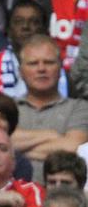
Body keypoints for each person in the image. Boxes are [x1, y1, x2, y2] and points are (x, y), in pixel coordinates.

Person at [12, 34, 88, 182]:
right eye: (33, 63)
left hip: (62, 193)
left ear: (60, 68)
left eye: (49, 62)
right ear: (20, 71)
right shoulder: (7, 107)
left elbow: (74, 149)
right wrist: (51, 135)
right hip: (12, 192)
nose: (41, 69)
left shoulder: (80, 108)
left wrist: (17, 151)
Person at [0, 0, 54, 102]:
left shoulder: (59, 75)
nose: (25, 26)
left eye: (34, 22)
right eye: (18, 22)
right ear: (9, 30)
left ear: (45, 30)